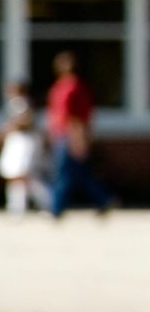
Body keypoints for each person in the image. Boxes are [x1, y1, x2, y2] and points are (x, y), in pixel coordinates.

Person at [46, 51, 114, 217]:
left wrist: (78, 138)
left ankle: (56, 209)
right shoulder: (63, 86)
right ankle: (103, 199)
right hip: (63, 134)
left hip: (69, 135)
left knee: (63, 172)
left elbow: (74, 116)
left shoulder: (72, 88)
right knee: (79, 173)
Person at [0, 79, 47, 216]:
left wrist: (11, 128)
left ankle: (47, 202)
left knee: (23, 175)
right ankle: (16, 206)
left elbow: (27, 121)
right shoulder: (15, 104)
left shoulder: (23, 104)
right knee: (15, 175)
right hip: (17, 142)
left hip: (24, 142)